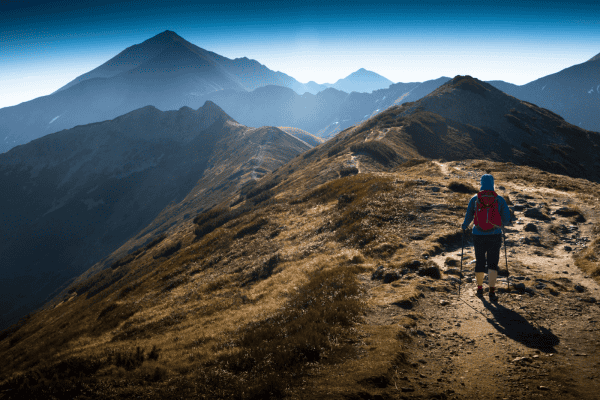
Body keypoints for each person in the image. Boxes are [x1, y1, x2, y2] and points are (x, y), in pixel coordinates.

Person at [461, 174, 511, 302]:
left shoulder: (475, 199)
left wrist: (464, 226)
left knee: (480, 261)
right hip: (495, 234)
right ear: (493, 184)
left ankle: (479, 289)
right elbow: (506, 219)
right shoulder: (499, 199)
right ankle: (492, 291)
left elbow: (469, 215)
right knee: (493, 262)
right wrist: (501, 224)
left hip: (478, 234)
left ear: (481, 183)